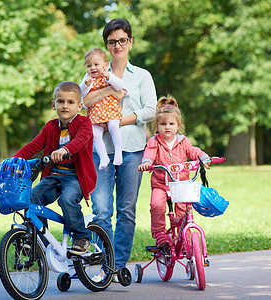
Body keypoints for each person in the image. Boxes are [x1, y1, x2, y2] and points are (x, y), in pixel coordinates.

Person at [82, 18, 157, 273]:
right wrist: (108, 93)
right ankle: (106, 262)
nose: (117, 45)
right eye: (112, 41)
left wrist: (117, 119)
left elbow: (151, 111)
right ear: (106, 45)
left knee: (126, 209)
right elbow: (83, 100)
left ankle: (116, 266)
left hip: (133, 149)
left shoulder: (142, 76)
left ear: (130, 42)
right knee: (101, 210)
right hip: (101, 149)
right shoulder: (94, 70)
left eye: (122, 40)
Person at [13, 81, 97, 255]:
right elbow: (33, 146)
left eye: (70, 102)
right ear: (54, 105)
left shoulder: (85, 124)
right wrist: (13, 161)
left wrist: (65, 150)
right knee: (33, 196)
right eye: (60, 101)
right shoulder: (50, 127)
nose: (65, 106)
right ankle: (39, 241)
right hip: (54, 176)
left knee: (67, 200)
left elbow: (80, 142)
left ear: (80, 105)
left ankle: (82, 237)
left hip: (76, 177)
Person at [138, 95, 210, 247]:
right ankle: (160, 235)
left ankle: (185, 238)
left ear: (178, 125)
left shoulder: (183, 141)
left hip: (181, 184)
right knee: (156, 205)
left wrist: (203, 157)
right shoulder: (154, 142)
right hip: (160, 185)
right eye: (163, 124)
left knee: (184, 210)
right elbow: (149, 154)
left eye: (171, 123)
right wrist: (146, 162)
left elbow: (193, 151)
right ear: (157, 126)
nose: (167, 127)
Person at [80, 48, 124, 170]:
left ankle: (118, 153)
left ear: (105, 66)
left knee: (114, 127)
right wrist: (85, 84)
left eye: (96, 64)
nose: (92, 68)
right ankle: (104, 157)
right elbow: (80, 94)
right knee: (95, 134)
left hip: (110, 109)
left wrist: (109, 77)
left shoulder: (108, 75)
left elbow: (119, 85)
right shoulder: (88, 79)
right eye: (89, 66)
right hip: (95, 113)